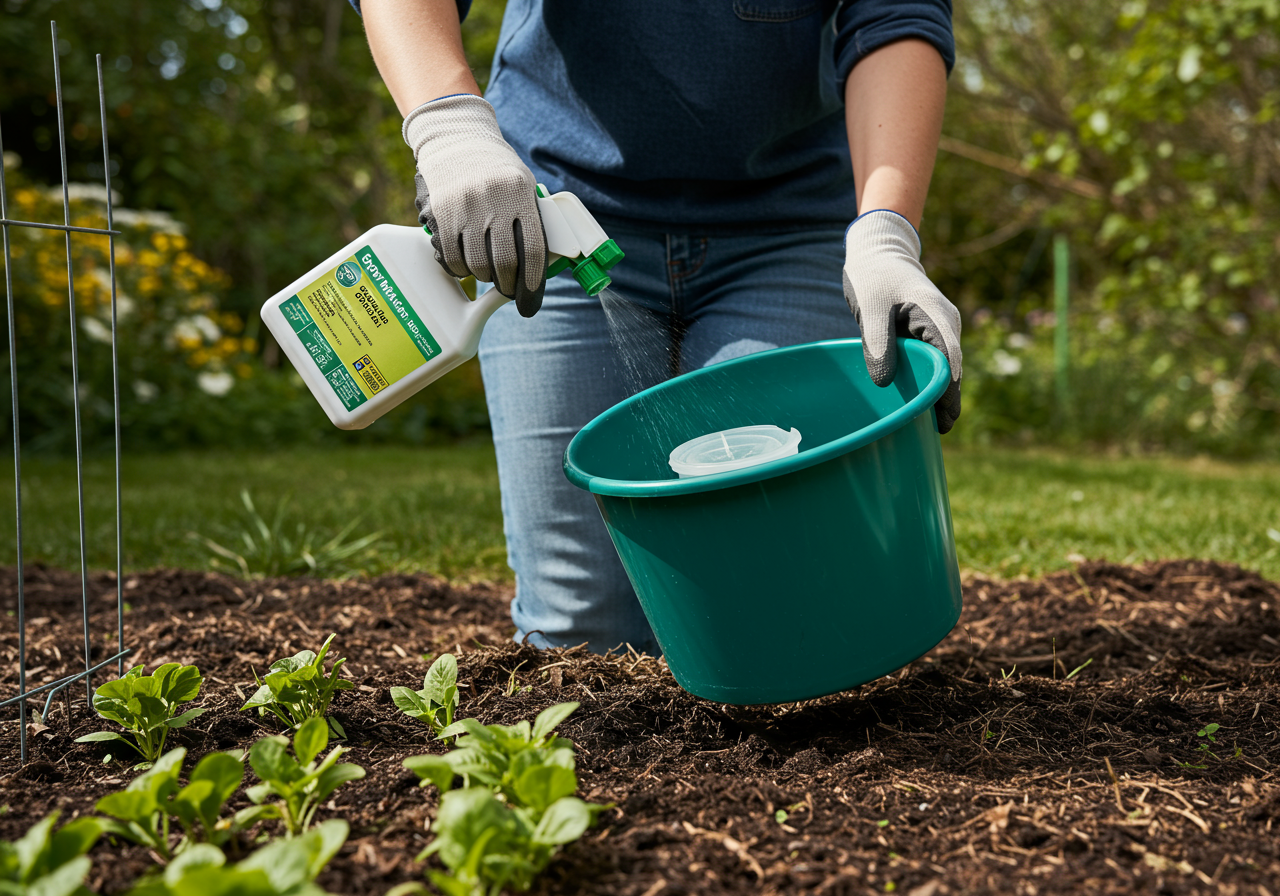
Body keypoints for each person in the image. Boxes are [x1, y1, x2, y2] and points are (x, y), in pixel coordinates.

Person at [352, 0, 963, 656]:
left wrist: (886, 232)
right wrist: (451, 130)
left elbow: (896, 15)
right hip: (551, 218)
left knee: (776, 604)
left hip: (787, 227)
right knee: (581, 636)